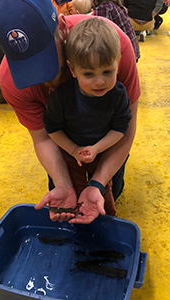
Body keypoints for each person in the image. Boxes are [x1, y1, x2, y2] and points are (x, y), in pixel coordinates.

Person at [0, 0, 140, 224]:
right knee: (66, 202)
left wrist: (98, 182)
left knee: (109, 195)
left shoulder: (112, 50)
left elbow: (125, 129)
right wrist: (63, 183)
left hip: (106, 137)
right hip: (65, 144)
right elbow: (42, 138)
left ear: (61, 27)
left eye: (46, 57)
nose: (43, 78)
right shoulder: (10, 82)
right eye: (28, 66)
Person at [43, 18, 132, 216]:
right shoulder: (62, 96)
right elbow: (52, 128)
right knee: (67, 197)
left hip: (103, 152)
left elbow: (120, 128)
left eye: (107, 71)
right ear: (73, 70)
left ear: (118, 64)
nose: (100, 81)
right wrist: (74, 150)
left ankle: (104, 221)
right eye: (89, 74)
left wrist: (97, 148)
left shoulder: (118, 94)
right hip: (68, 152)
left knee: (105, 195)